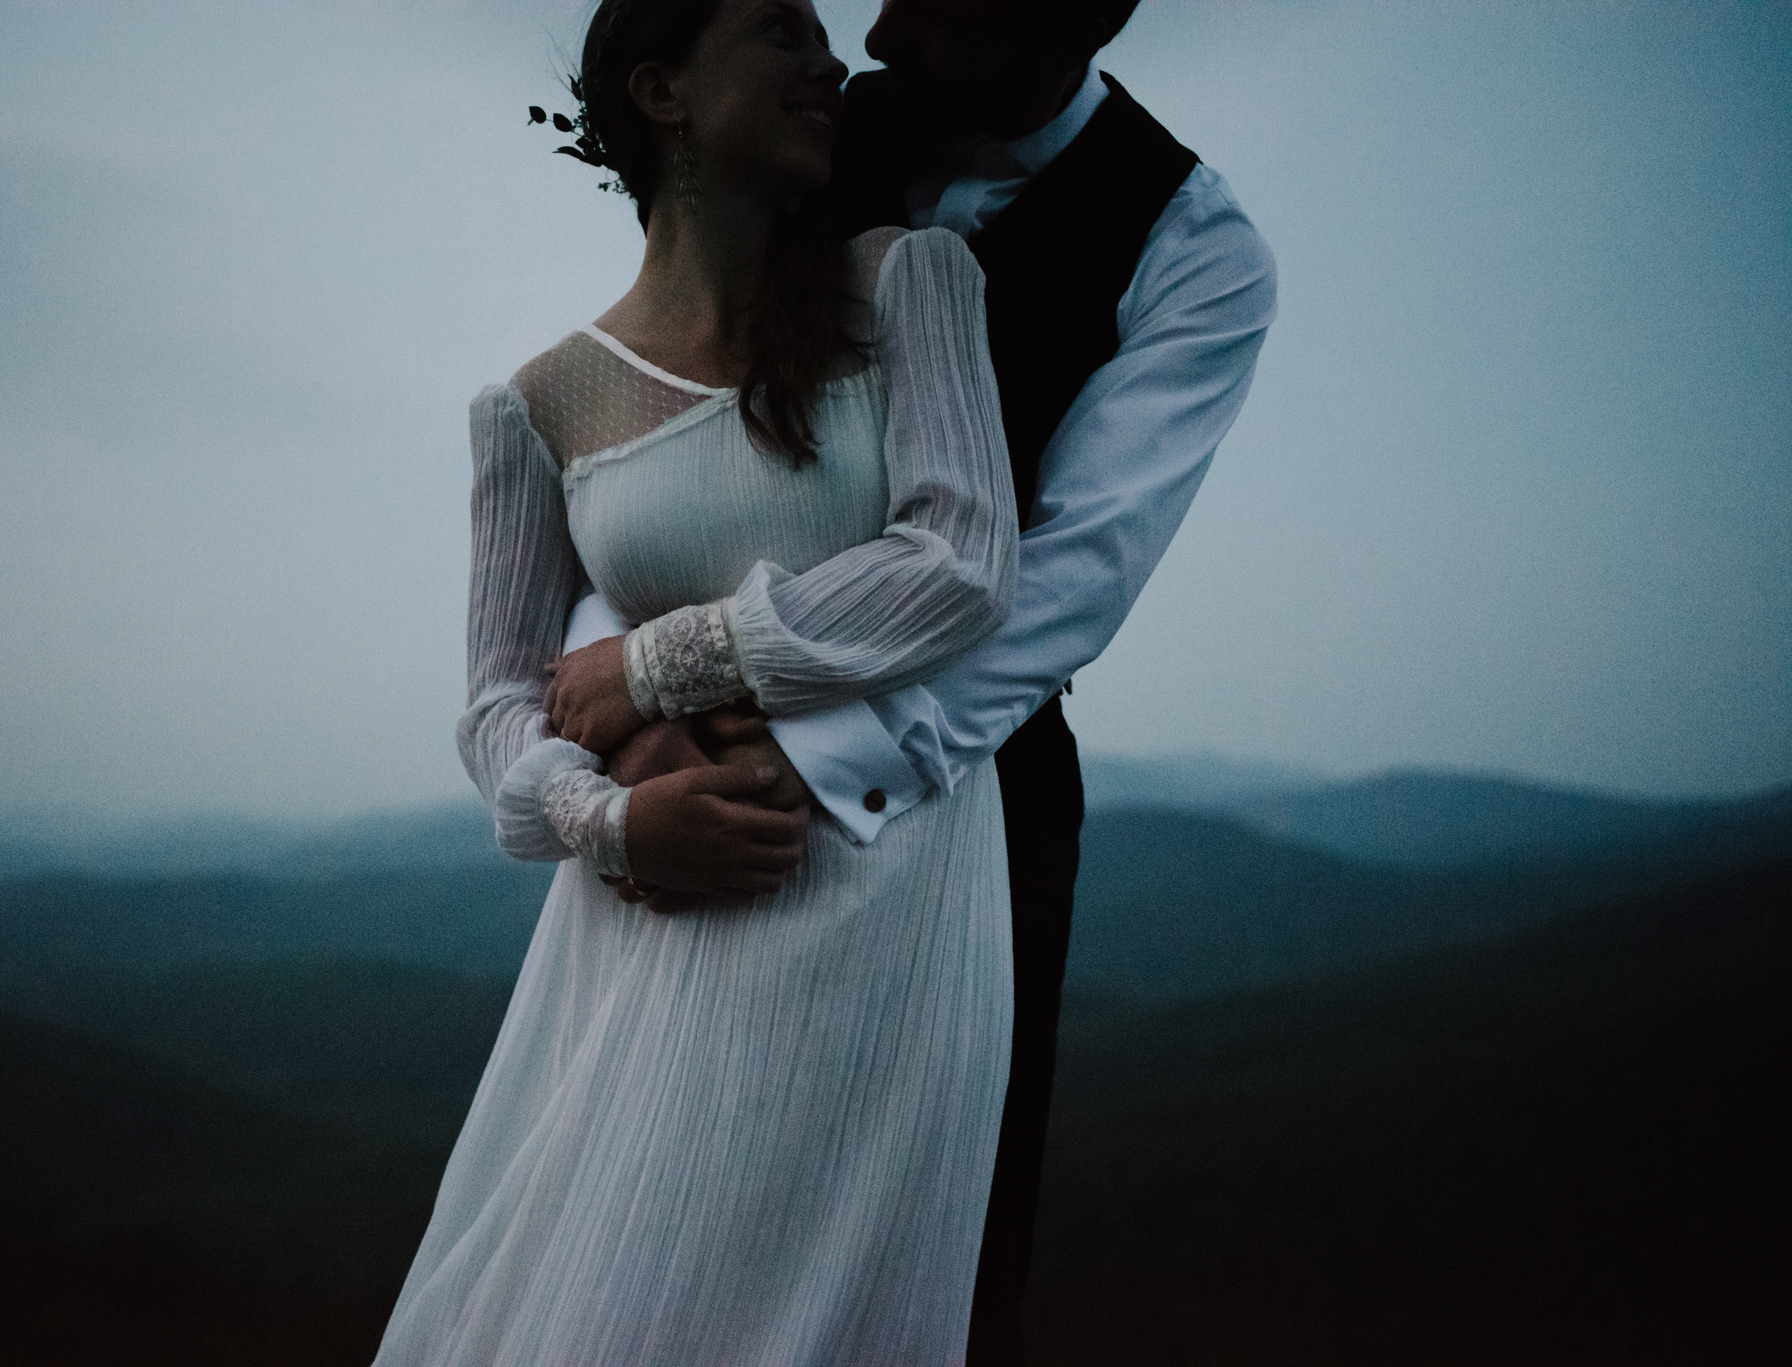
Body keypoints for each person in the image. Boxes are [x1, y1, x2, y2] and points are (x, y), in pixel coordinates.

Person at [567, 1, 1279, 1358]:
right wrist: (630, 717)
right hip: (678, 756)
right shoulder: (810, 136)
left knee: (923, 1260)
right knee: (661, 1212)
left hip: (969, 791)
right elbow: (663, 444)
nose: (878, 30)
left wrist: (820, 755)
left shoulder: (1201, 249)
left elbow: (1072, 571)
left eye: (934, 2)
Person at [372, 0, 1024, 1361]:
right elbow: (498, 708)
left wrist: (657, 665)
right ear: (663, 91)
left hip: (891, 909)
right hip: (655, 911)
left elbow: (962, 565)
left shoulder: (908, 285)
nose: (829, 62)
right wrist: (610, 825)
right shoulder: (539, 404)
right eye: (781, 32)